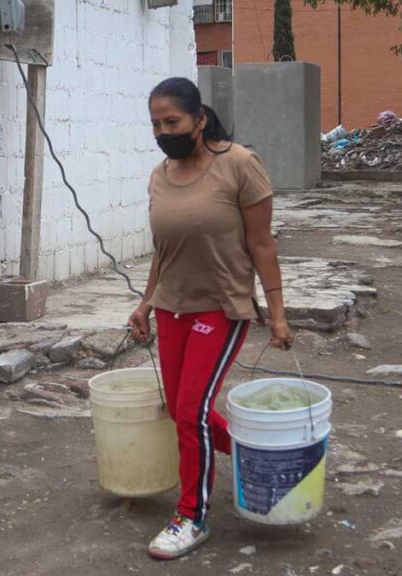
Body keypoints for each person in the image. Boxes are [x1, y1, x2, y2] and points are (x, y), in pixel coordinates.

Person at [127, 77, 293, 560]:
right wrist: (145, 302)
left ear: (199, 119)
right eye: (156, 124)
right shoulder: (160, 175)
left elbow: (263, 244)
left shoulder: (240, 165)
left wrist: (278, 314)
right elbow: (165, 249)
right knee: (184, 412)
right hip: (172, 307)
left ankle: (191, 516)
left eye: (172, 121)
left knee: (191, 412)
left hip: (221, 308)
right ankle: (262, 457)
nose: (163, 131)